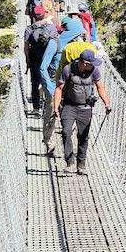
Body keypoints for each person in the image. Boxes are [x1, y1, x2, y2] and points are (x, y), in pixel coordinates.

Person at [53, 49, 111, 175]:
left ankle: (81, 164)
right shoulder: (68, 69)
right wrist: (55, 108)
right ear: (85, 63)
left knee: (83, 136)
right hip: (69, 105)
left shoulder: (94, 70)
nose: (93, 65)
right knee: (66, 132)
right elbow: (59, 88)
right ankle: (70, 162)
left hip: (85, 107)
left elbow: (100, 88)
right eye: (91, 63)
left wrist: (107, 103)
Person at [38, 18, 86, 152]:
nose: (79, 38)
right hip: (53, 83)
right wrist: (50, 87)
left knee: (73, 112)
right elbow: (43, 68)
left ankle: (70, 145)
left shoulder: (79, 44)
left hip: (71, 84)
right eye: (77, 34)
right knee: (52, 111)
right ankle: (49, 143)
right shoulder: (55, 44)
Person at [24, 6, 57, 115]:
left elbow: (26, 46)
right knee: (47, 80)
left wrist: (27, 59)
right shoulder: (51, 27)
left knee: (35, 83)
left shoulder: (29, 29)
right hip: (48, 59)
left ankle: (36, 108)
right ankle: (48, 106)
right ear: (44, 15)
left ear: (33, 16)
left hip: (34, 58)